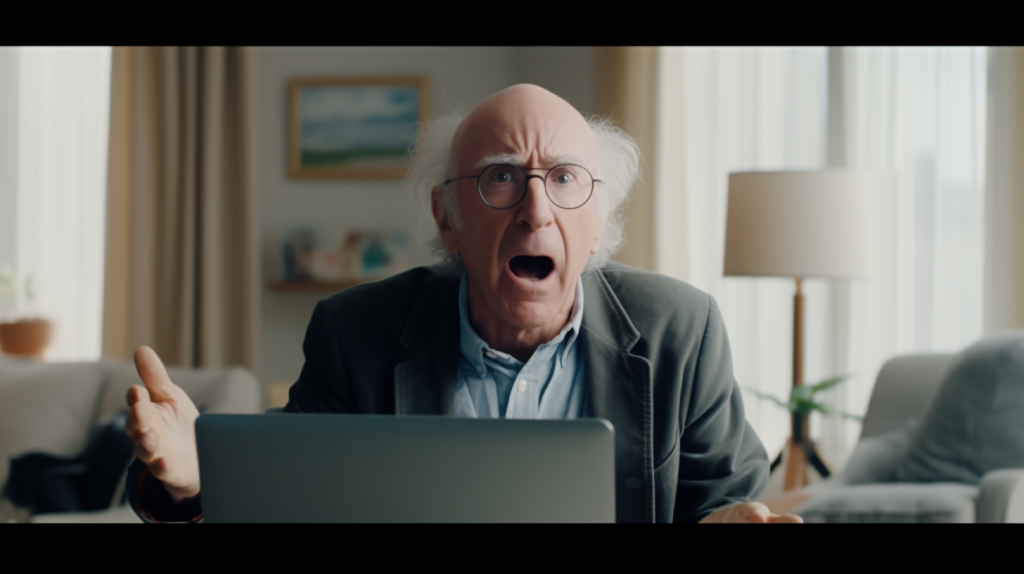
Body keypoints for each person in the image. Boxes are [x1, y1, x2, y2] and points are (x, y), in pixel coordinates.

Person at [124, 84, 801, 523]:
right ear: (448, 218)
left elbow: (727, 500)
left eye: (564, 179)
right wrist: (194, 481)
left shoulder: (681, 328)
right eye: (501, 178)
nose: (536, 209)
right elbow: (291, 492)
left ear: (597, 223)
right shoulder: (355, 330)